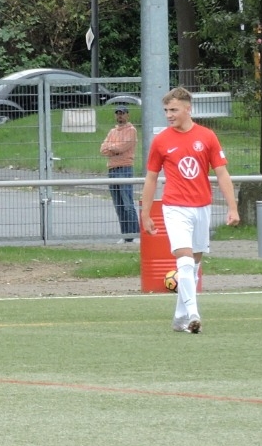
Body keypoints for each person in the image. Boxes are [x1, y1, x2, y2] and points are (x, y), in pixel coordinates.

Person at [139, 86, 240, 334]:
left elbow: (222, 173)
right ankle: (194, 314)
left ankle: (179, 318)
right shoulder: (161, 141)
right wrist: (145, 213)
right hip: (175, 208)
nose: (169, 115)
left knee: (193, 265)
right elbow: (151, 178)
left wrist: (232, 207)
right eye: (166, 110)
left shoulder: (207, 136)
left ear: (188, 109)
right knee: (183, 260)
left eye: (173, 110)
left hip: (201, 207)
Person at [100, 105, 140, 241]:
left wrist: (111, 148)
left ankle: (135, 235)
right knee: (118, 205)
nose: (120, 116)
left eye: (122, 113)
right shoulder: (112, 131)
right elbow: (103, 149)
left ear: (127, 115)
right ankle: (125, 236)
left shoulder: (131, 130)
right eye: (118, 113)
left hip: (124, 168)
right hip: (112, 169)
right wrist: (114, 149)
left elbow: (123, 147)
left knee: (127, 203)